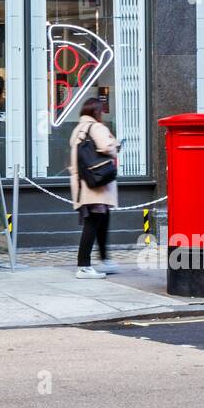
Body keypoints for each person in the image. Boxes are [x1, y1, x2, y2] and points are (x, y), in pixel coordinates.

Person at [68, 97, 118, 279]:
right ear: (96, 112)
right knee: (92, 223)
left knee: (102, 220)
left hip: (84, 182)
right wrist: (115, 145)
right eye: (101, 111)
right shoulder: (97, 127)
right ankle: (83, 266)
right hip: (96, 184)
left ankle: (105, 259)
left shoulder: (78, 129)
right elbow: (107, 146)